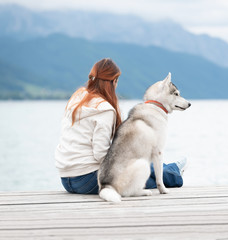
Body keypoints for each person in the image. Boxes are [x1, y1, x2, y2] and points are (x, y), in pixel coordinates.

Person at [55, 58, 187, 194]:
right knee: (139, 175)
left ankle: (171, 169)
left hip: (66, 179)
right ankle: (174, 173)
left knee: (134, 162)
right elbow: (100, 153)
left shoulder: (77, 99)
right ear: (113, 81)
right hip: (88, 180)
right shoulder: (104, 109)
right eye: (116, 81)